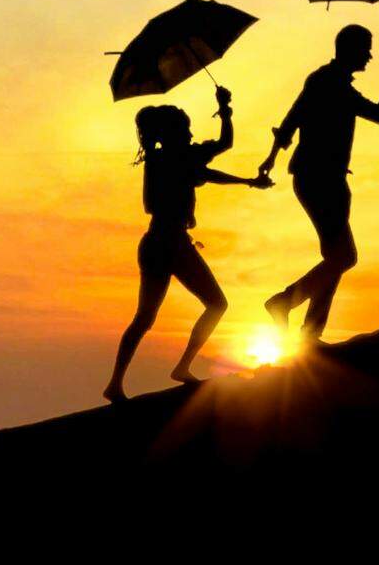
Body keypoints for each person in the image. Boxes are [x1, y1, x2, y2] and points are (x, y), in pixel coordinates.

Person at [104, 85, 267, 403]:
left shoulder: (160, 159)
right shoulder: (178, 158)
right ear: (175, 134)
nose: (191, 133)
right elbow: (221, 151)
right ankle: (179, 367)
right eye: (187, 128)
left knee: (144, 318)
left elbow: (215, 158)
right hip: (171, 244)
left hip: (155, 243)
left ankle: (116, 383)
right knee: (216, 304)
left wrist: (225, 112)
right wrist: (225, 111)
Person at [259, 26, 379, 342]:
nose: (370, 54)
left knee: (335, 258)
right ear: (350, 49)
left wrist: (271, 157)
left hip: (319, 178)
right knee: (344, 257)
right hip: (322, 180)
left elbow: (291, 119)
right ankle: (284, 303)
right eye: (366, 48)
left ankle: (310, 335)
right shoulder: (334, 86)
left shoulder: (322, 80)